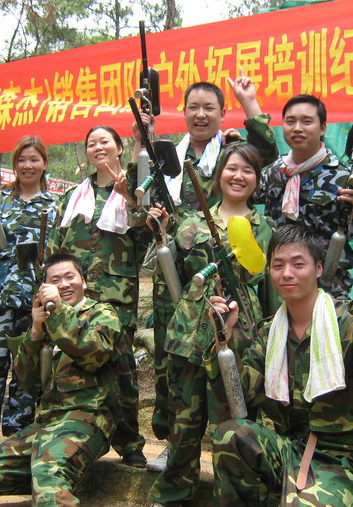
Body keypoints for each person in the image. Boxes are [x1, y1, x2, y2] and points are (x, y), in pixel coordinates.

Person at [206, 223, 353, 506]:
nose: (287, 273)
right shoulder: (269, 333)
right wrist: (224, 341)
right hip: (289, 448)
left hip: (344, 457)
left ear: (318, 269)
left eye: (298, 264)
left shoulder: (347, 324)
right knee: (230, 434)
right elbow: (238, 399)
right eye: (278, 265)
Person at [134, 76, 278, 473]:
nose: (200, 114)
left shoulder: (232, 153)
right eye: (193, 107)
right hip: (185, 297)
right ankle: (175, 455)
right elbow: (142, 206)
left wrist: (250, 104)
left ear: (221, 113)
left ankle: (236, 468)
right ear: (182, 112)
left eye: (209, 108)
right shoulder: (167, 156)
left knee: (231, 392)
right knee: (178, 382)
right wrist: (142, 139)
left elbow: (264, 153)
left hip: (235, 310)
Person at [148, 143, 275, 506]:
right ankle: (174, 494)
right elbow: (166, 274)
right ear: (219, 175)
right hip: (190, 330)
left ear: (257, 179)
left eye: (248, 170)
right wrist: (160, 233)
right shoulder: (191, 222)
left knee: (231, 416)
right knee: (184, 419)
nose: (239, 176)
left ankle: (232, 496)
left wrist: (266, 339)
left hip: (238, 331)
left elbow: (269, 287)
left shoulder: (265, 228)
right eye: (232, 168)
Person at [0, 253, 123, 504]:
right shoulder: (46, 321)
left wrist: (59, 311)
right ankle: (58, 487)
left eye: (69, 277)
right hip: (48, 422)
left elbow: (94, 355)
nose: (64, 284)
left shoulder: (102, 314)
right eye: (55, 280)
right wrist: (35, 332)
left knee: (47, 473)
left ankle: (53, 485)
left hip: (87, 418)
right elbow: (27, 383)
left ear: (83, 282)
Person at [50, 125, 148, 467]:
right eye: (91, 143)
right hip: (75, 298)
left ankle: (129, 442)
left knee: (122, 370)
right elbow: (56, 248)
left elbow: (145, 235)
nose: (98, 147)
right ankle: (80, 435)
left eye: (105, 141)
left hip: (116, 297)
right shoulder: (74, 196)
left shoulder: (133, 191)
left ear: (119, 147)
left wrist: (131, 197)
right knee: (76, 365)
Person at [0, 136, 57, 462]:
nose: (28, 166)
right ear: (15, 165)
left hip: (32, 302)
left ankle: (17, 434)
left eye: (34, 159)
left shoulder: (54, 205)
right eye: (22, 160)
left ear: (44, 163)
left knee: (25, 368)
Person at [255, 94, 353, 299]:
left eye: (307, 121)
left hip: (328, 285)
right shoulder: (274, 172)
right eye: (290, 121)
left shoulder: (343, 176)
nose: (297, 128)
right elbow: (241, 196)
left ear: (323, 128)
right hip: (281, 283)